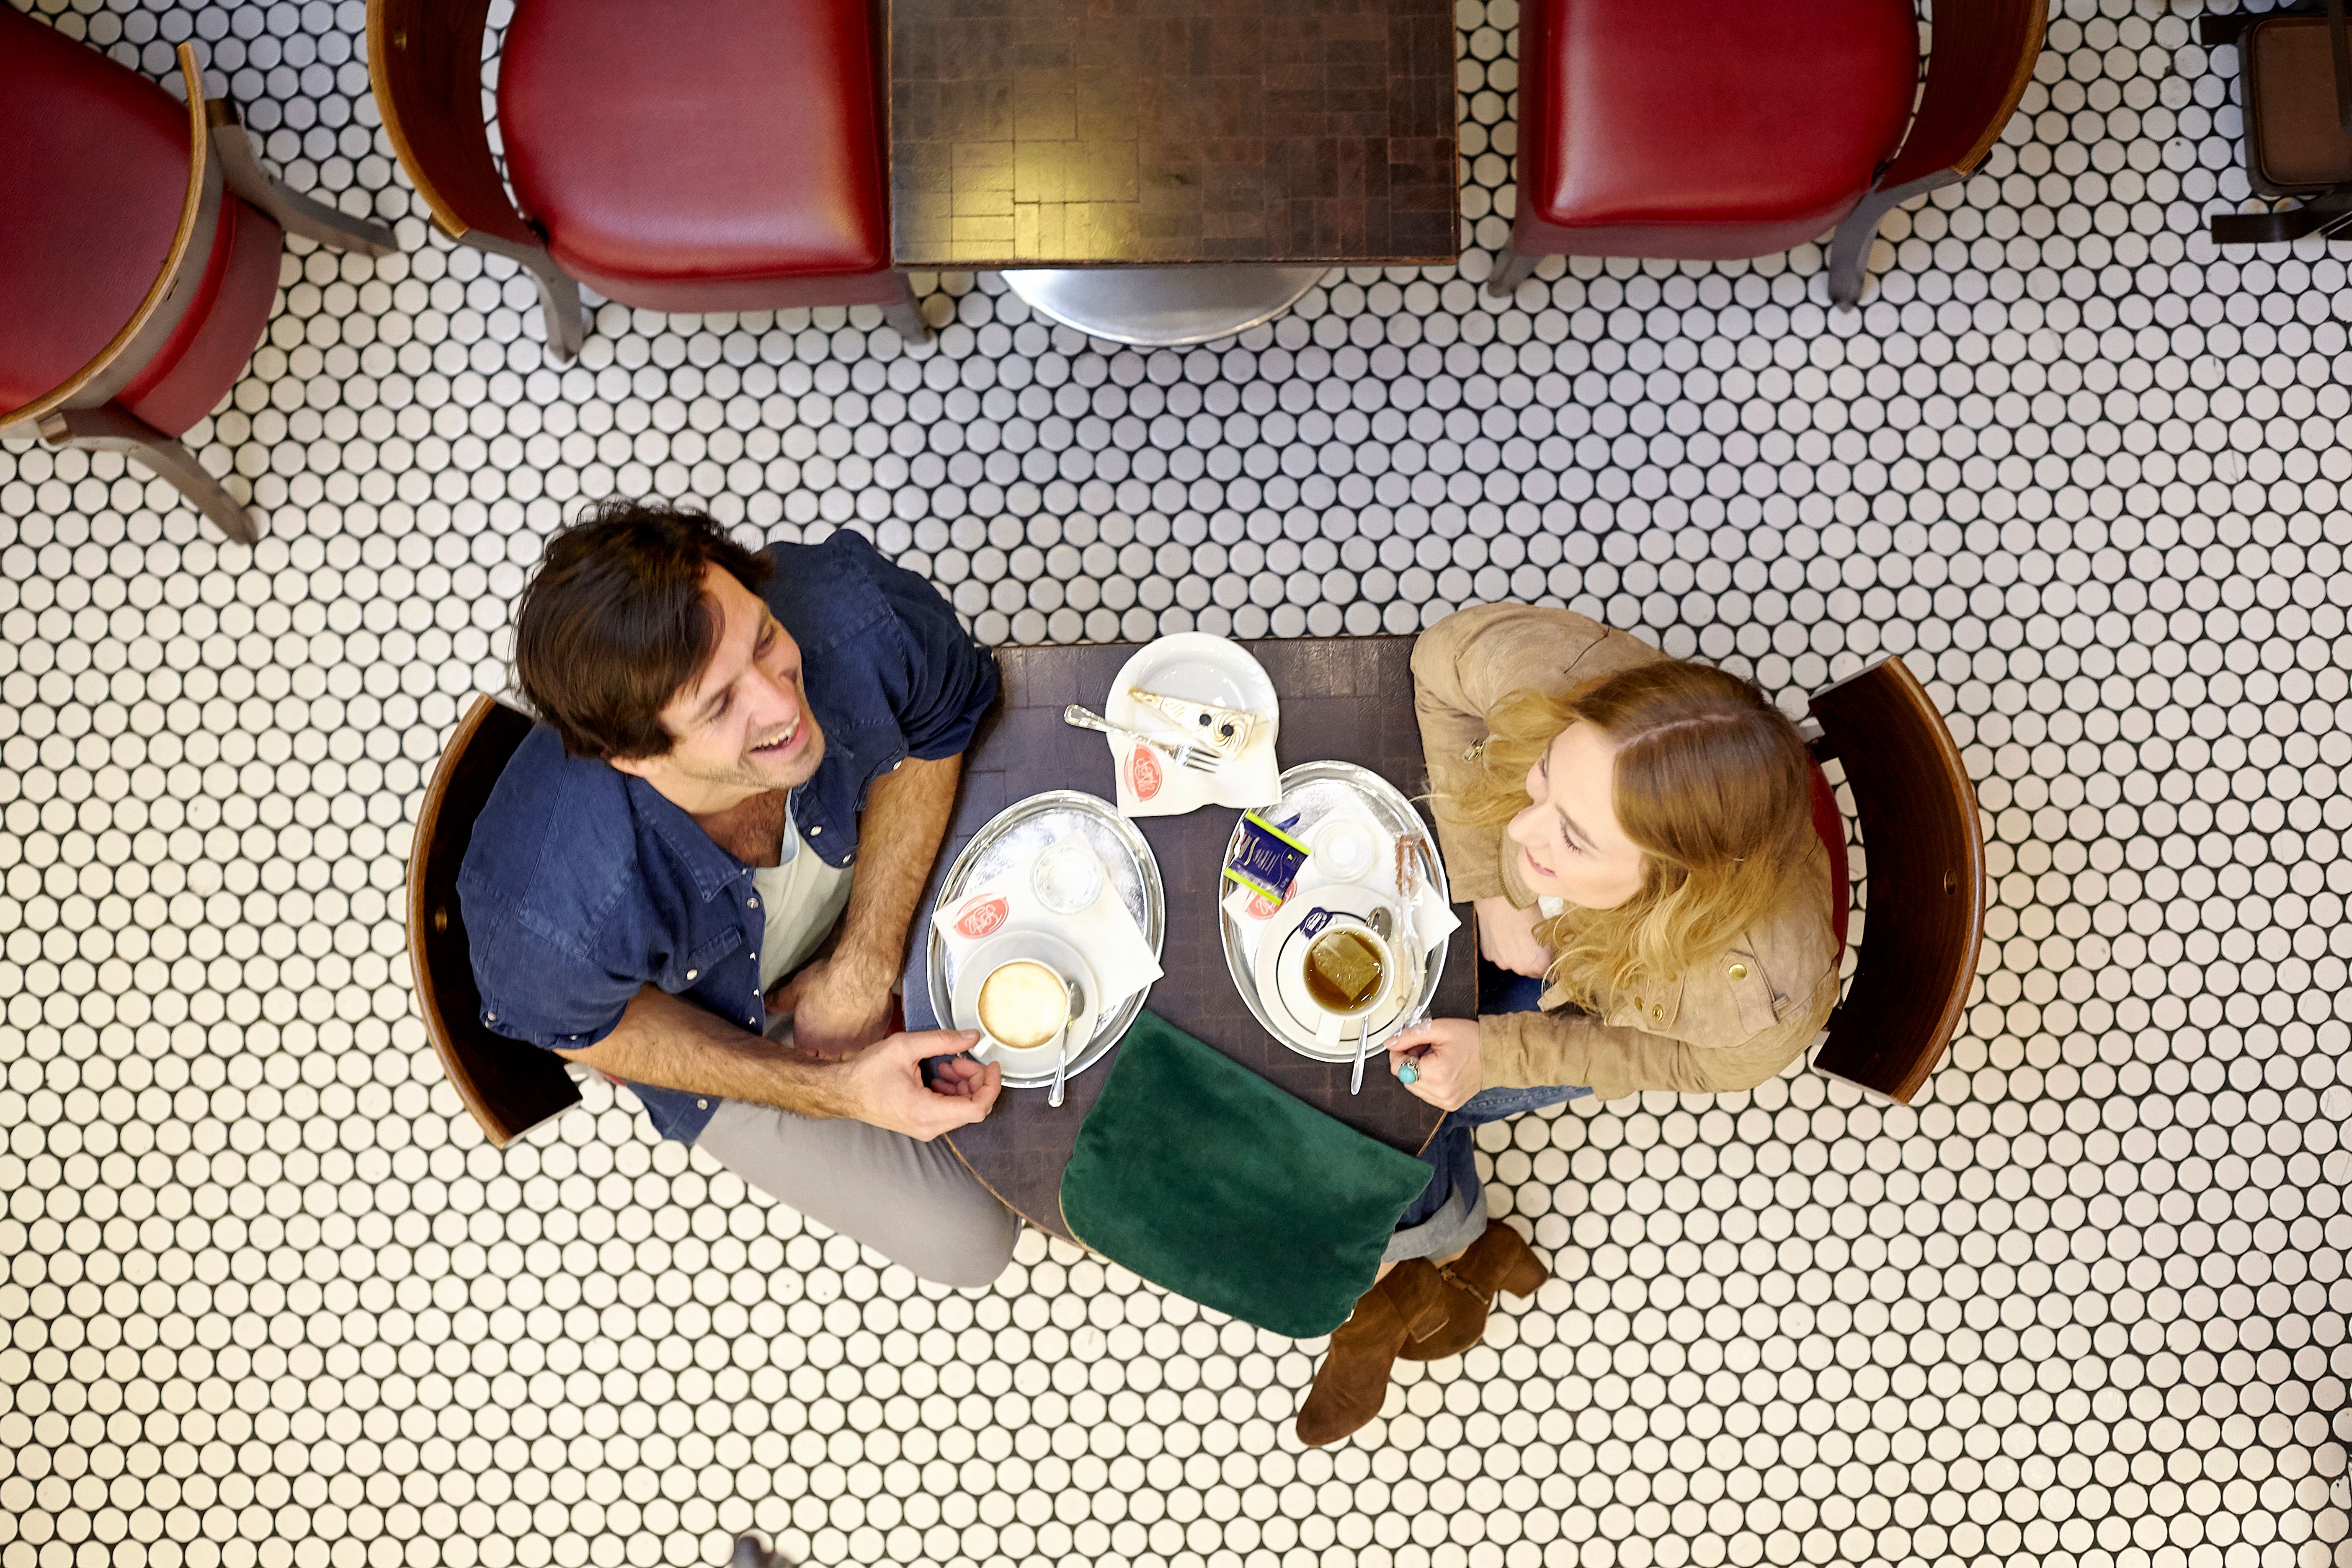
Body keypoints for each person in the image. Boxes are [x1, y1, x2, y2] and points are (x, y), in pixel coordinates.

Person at [1296, 603, 1843, 1445]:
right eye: (1547, 776)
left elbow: (1688, 1066)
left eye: (1574, 838)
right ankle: (1449, 1255)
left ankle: (1411, 1274)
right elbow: (1442, 660)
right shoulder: (1561, 677)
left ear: (1673, 887)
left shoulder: (1754, 1004)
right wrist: (1490, 886)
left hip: (1607, 1001)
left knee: (1378, 1100)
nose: (1521, 826)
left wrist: (1498, 1054)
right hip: (1546, 940)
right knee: (1377, 1076)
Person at [457, 501, 1020, 1288]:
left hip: (864, 884)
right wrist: (832, 1093)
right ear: (632, 756)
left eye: (763, 639)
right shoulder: (550, 922)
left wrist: (863, 963)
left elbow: (946, 716)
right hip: (719, 1011)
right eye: (720, 706)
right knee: (973, 1243)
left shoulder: (857, 617)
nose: (783, 705)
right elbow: (588, 1033)